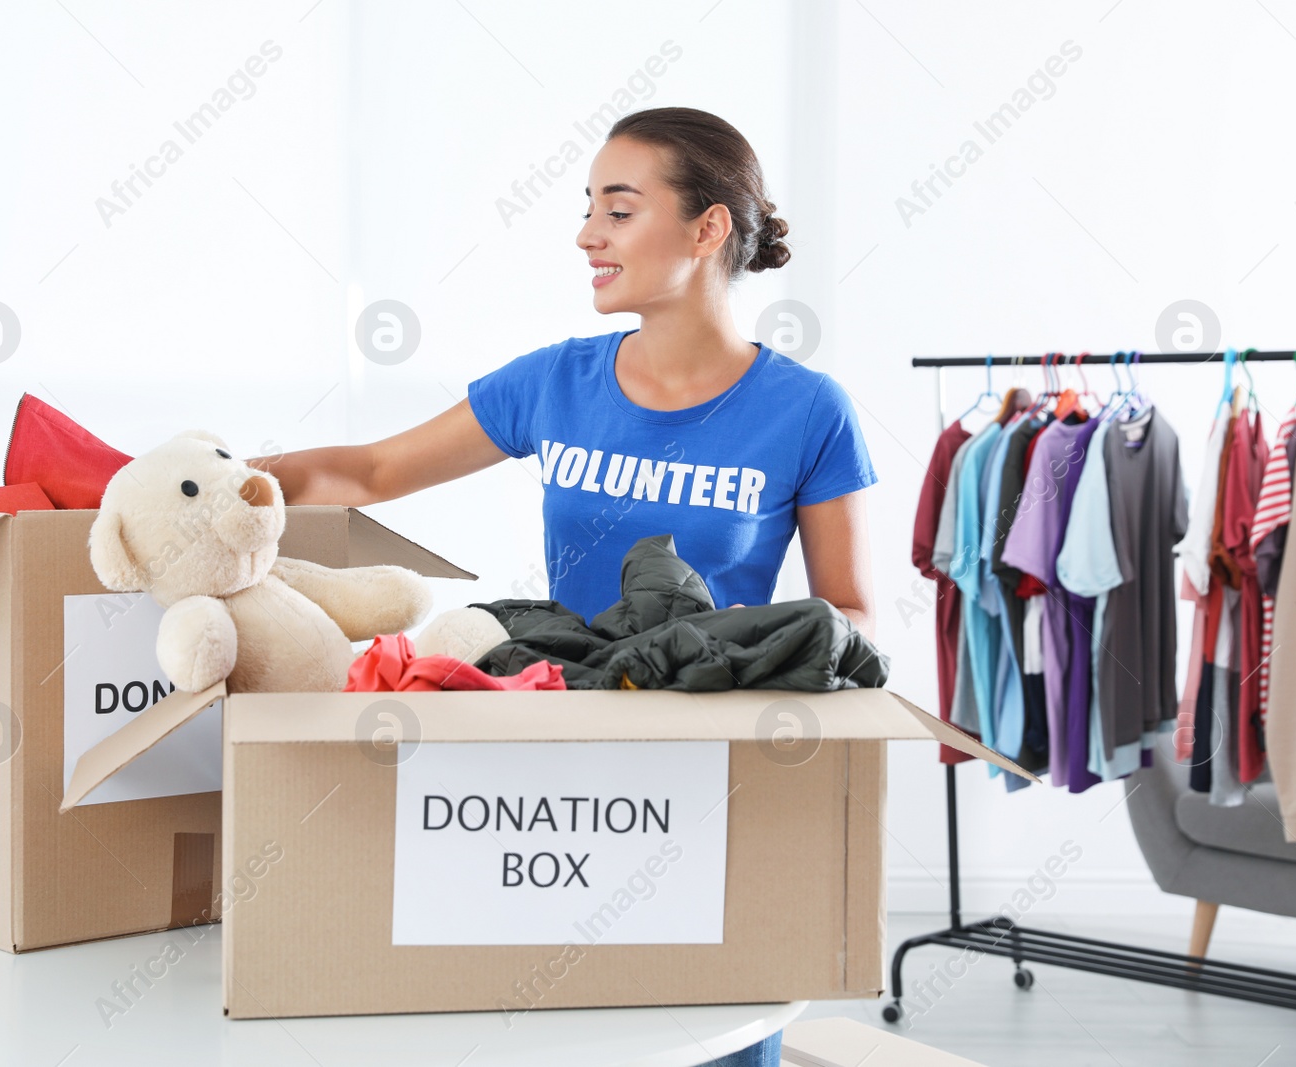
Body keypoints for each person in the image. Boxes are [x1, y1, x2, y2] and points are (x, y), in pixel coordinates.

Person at [254, 106, 877, 1066]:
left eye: (618, 211)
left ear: (709, 228)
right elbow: (371, 473)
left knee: (711, 1032)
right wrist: (219, 482)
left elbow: (851, 616)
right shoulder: (555, 385)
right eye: (589, 207)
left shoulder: (807, 412)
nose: (587, 234)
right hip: (558, 761)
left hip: (711, 781)